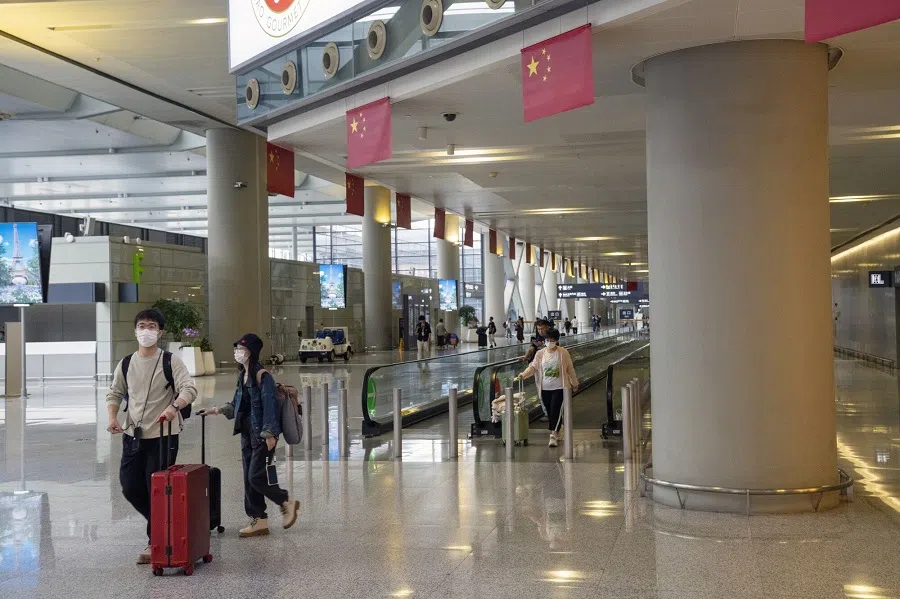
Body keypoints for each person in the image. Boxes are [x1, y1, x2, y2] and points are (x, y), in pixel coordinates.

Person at [106, 308, 198, 565]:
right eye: (142, 326)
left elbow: (189, 389)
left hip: (163, 435)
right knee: (130, 487)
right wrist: (112, 417)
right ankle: (162, 525)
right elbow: (114, 393)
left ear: (160, 332)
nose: (146, 331)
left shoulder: (170, 361)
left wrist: (174, 407)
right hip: (133, 435)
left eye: (152, 326)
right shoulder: (126, 363)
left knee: (156, 490)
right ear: (135, 330)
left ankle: (154, 541)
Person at [199, 333, 299, 538]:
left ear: (251, 352)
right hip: (246, 433)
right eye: (236, 349)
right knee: (249, 477)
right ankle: (258, 519)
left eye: (242, 349)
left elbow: (269, 405)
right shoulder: (242, 375)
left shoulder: (263, 376)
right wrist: (215, 410)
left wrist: (270, 434)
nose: (238, 353)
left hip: (261, 435)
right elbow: (237, 403)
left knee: (255, 476)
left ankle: (285, 501)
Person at [517, 329, 578, 448]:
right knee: (550, 412)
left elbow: (570, 369)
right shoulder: (540, 354)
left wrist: (574, 383)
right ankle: (558, 428)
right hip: (545, 388)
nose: (549, 342)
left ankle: (553, 435)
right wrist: (523, 375)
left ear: (557, 341)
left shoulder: (563, 353)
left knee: (555, 409)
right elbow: (533, 367)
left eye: (552, 340)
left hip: (560, 387)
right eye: (548, 340)